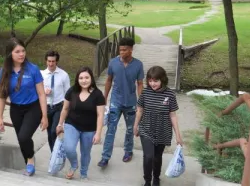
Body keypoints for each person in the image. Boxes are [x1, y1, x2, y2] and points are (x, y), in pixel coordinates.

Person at [0, 38, 48, 176]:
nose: (21, 54)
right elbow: (2, 96)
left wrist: (44, 115)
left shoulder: (33, 69)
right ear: (10, 54)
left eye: (23, 51)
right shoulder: (4, 71)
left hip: (33, 108)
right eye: (17, 51)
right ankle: (29, 163)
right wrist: (0, 117)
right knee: (21, 139)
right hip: (16, 109)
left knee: (24, 136)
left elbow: (42, 94)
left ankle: (30, 159)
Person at [98, 37, 144, 167]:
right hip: (115, 102)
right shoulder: (113, 62)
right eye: (120, 50)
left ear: (131, 50)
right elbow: (108, 80)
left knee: (130, 129)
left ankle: (128, 151)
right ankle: (105, 157)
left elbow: (140, 84)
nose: (121, 52)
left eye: (124, 50)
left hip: (130, 103)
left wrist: (140, 102)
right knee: (110, 130)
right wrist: (104, 97)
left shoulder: (138, 65)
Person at [133, 66, 183, 186]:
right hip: (146, 128)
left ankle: (156, 177)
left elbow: (173, 115)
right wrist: (135, 126)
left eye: (155, 81)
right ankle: (147, 180)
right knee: (148, 156)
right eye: (150, 81)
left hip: (163, 130)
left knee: (157, 157)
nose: (152, 83)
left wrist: (178, 135)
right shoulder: (145, 92)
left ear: (163, 80)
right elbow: (139, 110)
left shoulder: (170, 94)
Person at [56, 66, 105, 180]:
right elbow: (65, 109)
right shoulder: (72, 91)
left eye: (87, 77)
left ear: (91, 78)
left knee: (85, 153)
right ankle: (74, 165)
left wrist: (98, 133)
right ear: (77, 79)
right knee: (69, 148)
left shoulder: (98, 94)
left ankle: (83, 174)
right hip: (71, 124)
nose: (84, 80)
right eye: (81, 78)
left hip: (89, 128)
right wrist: (60, 124)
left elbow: (100, 115)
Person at [41, 50, 70, 152]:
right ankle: (54, 154)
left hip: (59, 107)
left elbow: (68, 93)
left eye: (53, 61)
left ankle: (56, 153)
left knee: (54, 131)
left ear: (56, 61)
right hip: (47, 107)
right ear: (46, 61)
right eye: (49, 61)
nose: (51, 63)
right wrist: (44, 91)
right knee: (50, 133)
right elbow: (37, 92)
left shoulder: (63, 75)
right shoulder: (42, 75)